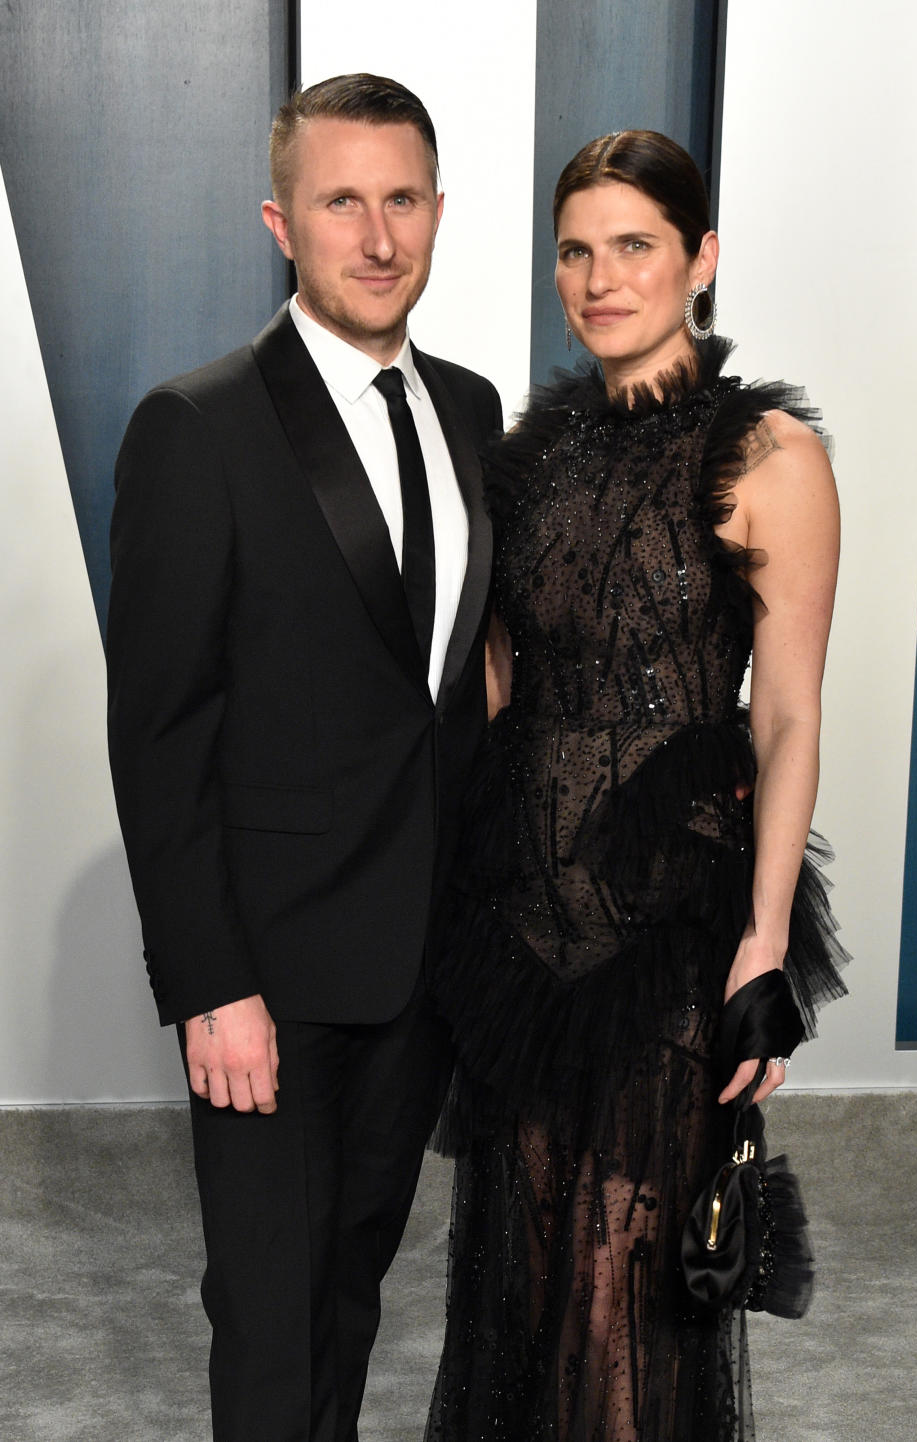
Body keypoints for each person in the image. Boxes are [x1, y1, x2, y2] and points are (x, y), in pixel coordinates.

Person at [424, 130, 847, 1441]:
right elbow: (495, 694)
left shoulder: (764, 455)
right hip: (521, 924)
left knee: (625, 1300)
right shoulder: (524, 461)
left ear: (700, 258)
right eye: (576, 250)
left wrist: (766, 938)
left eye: (636, 246)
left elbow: (784, 712)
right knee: (524, 1287)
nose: (602, 278)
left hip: (668, 929)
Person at [106, 73, 501, 1442]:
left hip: (420, 967)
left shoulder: (469, 411)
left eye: (402, 200)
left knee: (349, 1297)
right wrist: (212, 986)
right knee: (269, 1324)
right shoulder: (196, 427)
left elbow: (449, 684)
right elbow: (158, 735)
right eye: (345, 202)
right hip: (266, 979)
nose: (378, 236)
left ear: (439, 214)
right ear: (283, 220)